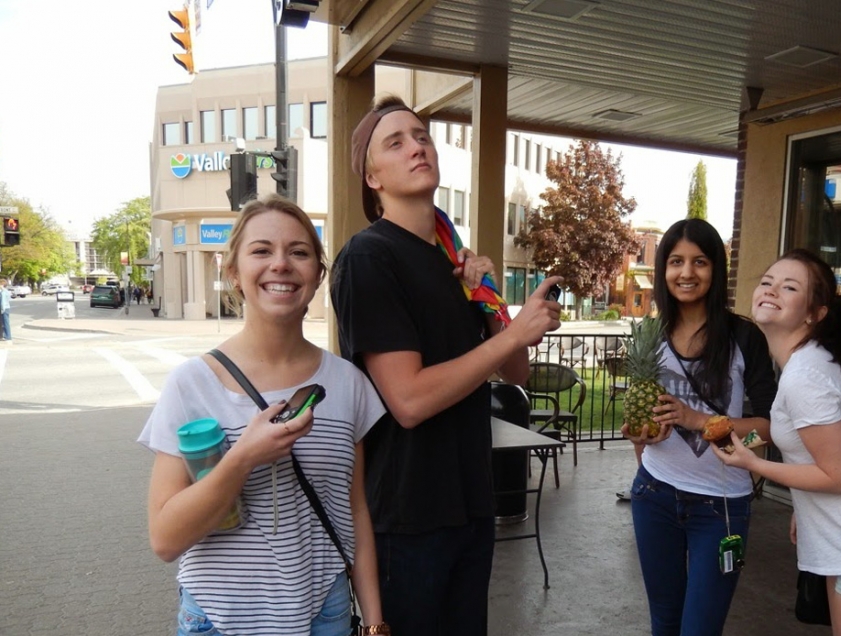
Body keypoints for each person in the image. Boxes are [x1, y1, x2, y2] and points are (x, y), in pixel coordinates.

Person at [331, 95, 562, 636]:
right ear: (372, 176)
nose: (417, 147)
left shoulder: (450, 259)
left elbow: (517, 375)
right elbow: (408, 401)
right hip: (408, 517)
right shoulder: (369, 258)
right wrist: (519, 330)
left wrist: (491, 303)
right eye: (396, 142)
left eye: (421, 136)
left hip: (468, 504)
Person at [139, 194, 390, 636]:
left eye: (299, 252)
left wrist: (374, 623)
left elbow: (355, 512)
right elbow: (164, 540)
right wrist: (242, 458)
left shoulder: (349, 384)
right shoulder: (191, 384)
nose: (281, 264)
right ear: (233, 271)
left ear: (316, 275)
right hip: (218, 620)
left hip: (324, 615)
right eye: (261, 251)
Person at [713, 248, 841, 636]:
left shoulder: (806, 375)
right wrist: (750, 444)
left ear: (814, 313)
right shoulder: (806, 363)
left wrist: (752, 464)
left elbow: (840, 476)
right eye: (767, 282)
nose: (772, 290)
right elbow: (791, 433)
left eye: (789, 286)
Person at [621, 218, 777, 636]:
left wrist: (697, 420)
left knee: (699, 629)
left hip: (721, 507)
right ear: (662, 270)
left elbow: (767, 431)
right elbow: (644, 418)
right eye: (675, 261)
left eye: (699, 262)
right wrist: (641, 436)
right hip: (654, 494)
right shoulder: (652, 334)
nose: (686, 273)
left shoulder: (744, 337)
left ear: (716, 269)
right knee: (664, 622)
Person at [0, 278, 11, 342]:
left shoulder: (3, 292)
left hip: (4, 308)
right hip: (7, 308)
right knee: (5, 322)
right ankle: (6, 335)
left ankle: (8, 336)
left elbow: (3, 302)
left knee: (5, 323)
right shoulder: (6, 291)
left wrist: (2, 309)